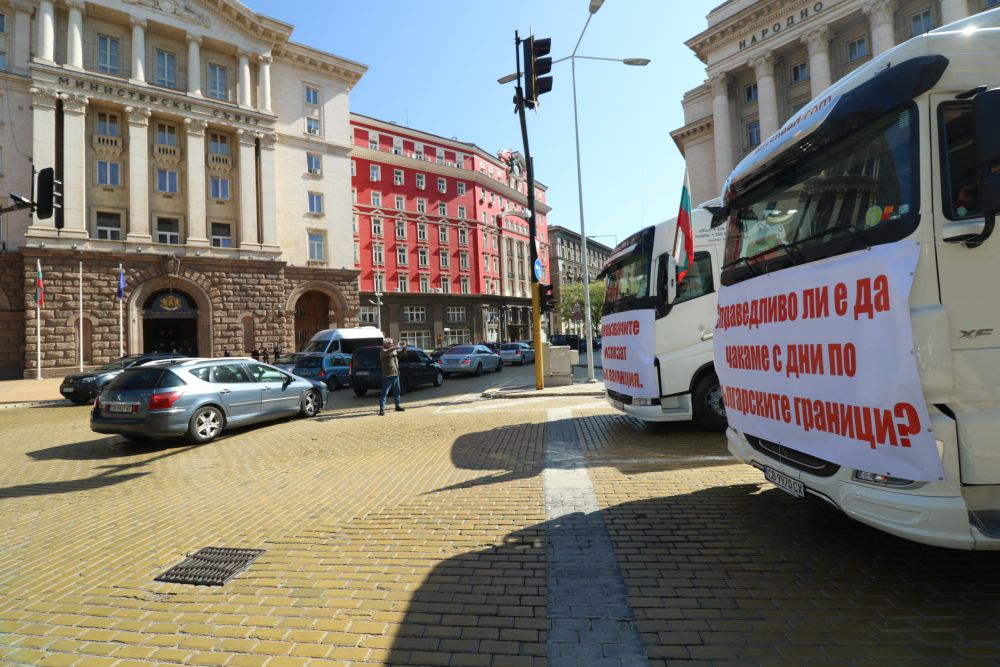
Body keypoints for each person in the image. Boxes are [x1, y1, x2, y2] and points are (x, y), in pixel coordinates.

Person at [378, 338, 407, 416]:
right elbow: (387, 352)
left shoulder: (393, 350)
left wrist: (404, 347)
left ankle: (397, 406)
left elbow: (402, 353)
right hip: (388, 375)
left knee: (397, 391)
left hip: (396, 373)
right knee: (384, 393)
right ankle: (382, 410)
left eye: (392, 343)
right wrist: (396, 347)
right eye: (390, 343)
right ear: (385, 344)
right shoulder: (383, 351)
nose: (392, 344)